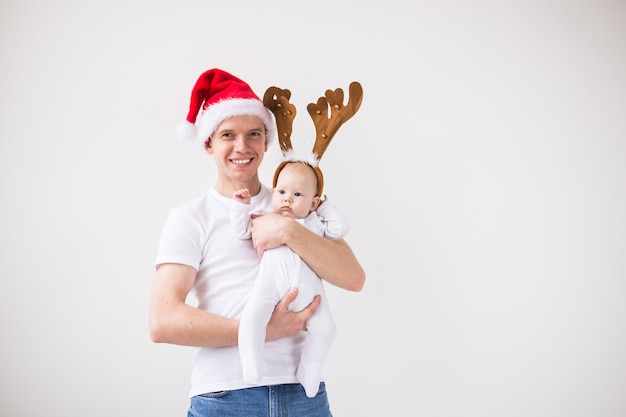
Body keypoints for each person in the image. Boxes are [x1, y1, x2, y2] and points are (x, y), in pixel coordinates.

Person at [149, 68, 365, 417]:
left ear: (267, 142)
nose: (242, 146)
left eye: (253, 134)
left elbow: (354, 278)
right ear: (208, 143)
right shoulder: (191, 217)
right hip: (225, 397)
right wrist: (261, 330)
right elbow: (163, 321)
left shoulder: (294, 202)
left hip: (303, 395)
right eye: (227, 135)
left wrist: (288, 231)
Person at [232, 160, 350, 398]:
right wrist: (241, 207)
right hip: (271, 285)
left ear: (313, 202)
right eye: (282, 192)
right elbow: (241, 231)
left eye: (297, 194)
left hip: (310, 293)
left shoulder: (315, 224)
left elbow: (340, 229)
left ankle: (310, 368)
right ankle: (251, 359)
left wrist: (324, 208)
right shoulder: (265, 218)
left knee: (327, 328)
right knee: (253, 316)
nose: (287, 199)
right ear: (273, 193)